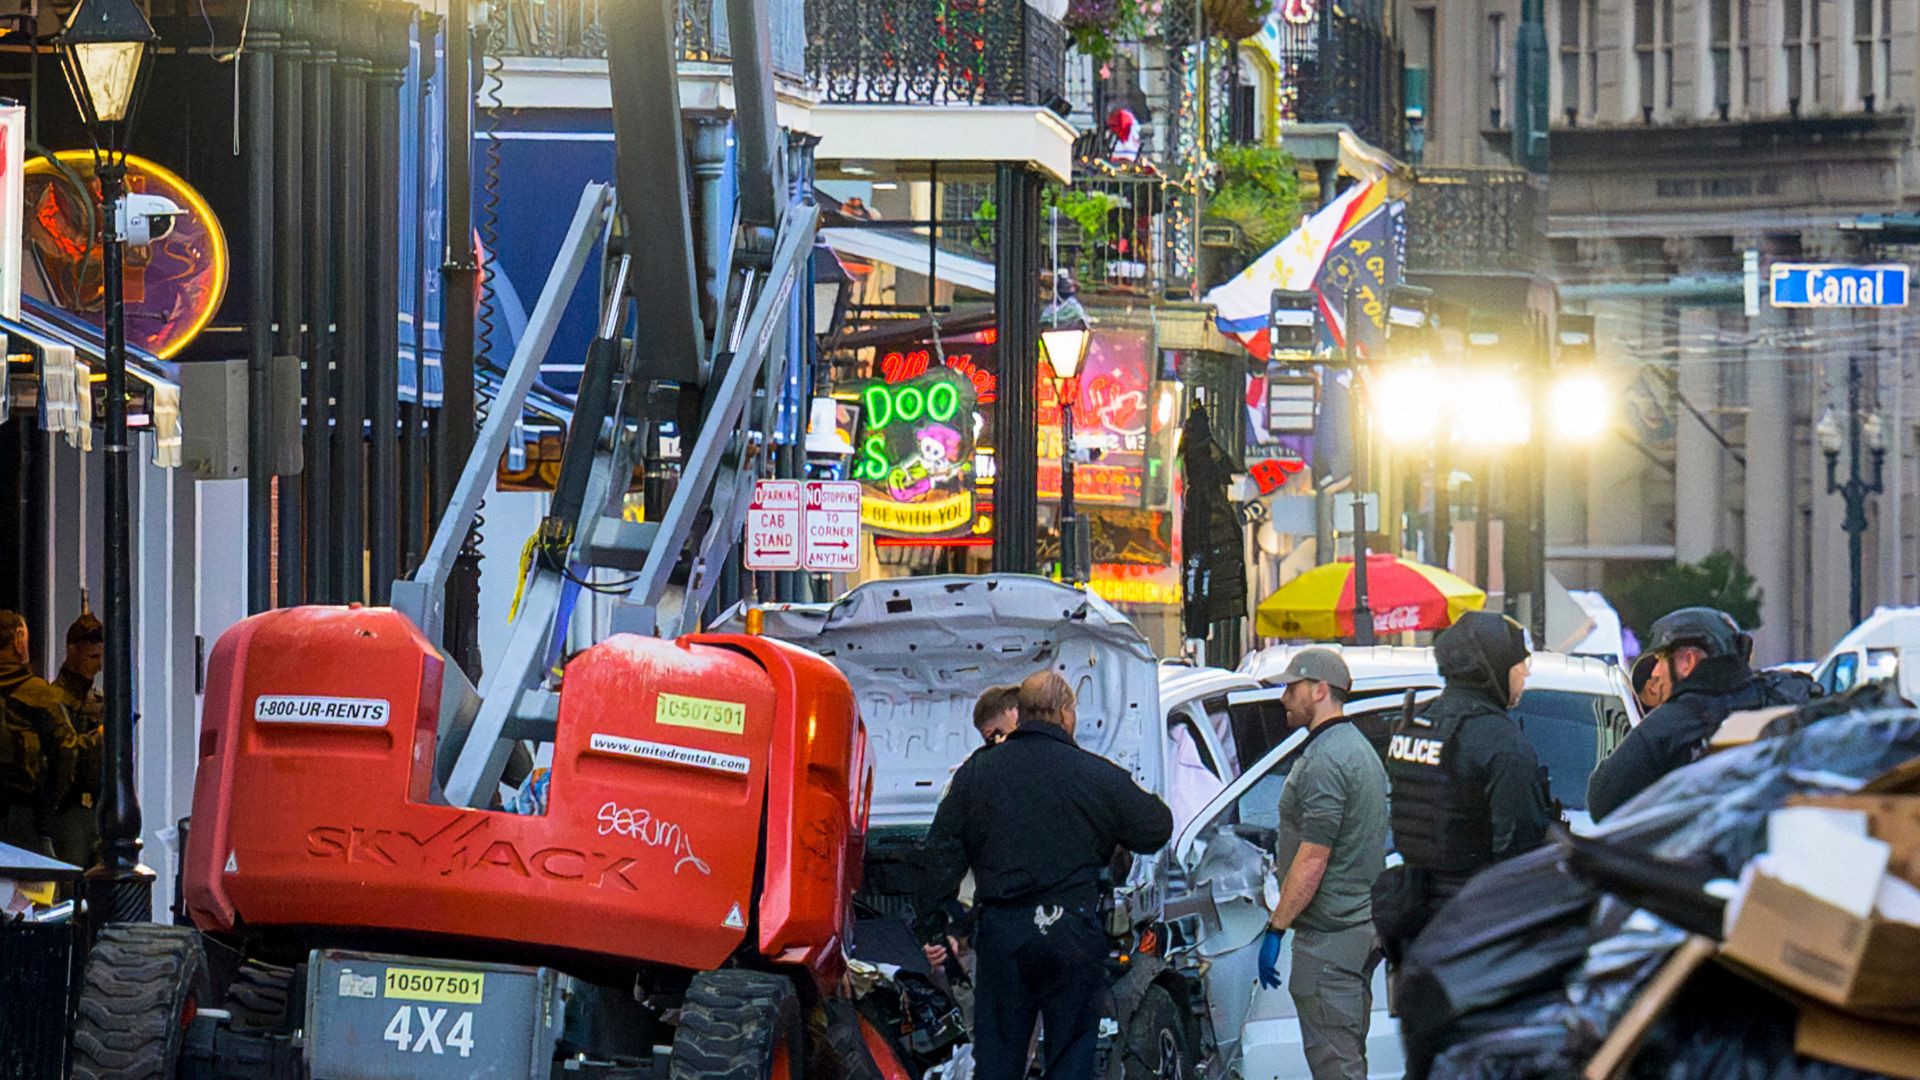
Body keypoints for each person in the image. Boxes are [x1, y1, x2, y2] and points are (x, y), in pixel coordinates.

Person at [918, 671, 1173, 1080]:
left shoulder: (976, 774)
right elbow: (1156, 827)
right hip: (1071, 932)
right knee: (1071, 1055)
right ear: (1067, 713)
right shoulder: (1093, 773)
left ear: (1020, 712)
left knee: (999, 1059)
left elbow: (938, 856)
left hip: (1003, 936)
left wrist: (934, 929)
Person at [1377, 611, 1551, 954]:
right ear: (1494, 666)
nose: (1526, 673)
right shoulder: (1500, 742)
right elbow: (1520, 852)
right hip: (1477, 927)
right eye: (1519, 663)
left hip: (1415, 918)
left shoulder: (1418, 724)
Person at [1255, 649, 1389, 1080]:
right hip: (1356, 928)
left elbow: (1313, 858)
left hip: (1332, 940)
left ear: (1320, 690)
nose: (1284, 698)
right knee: (1346, 1058)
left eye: (1293, 689)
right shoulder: (1356, 748)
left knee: (1337, 1067)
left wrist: (1276, 927)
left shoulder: (1326, 759)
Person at [1588, 607, 1816, 821]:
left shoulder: (1669, 724)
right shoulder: (1788, 696)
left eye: (1660, 660)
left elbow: (1602, 801)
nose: (1655, 672)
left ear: (1687, 661)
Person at [0, 611, 78, 857]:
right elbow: (67, 748)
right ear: (18, 640)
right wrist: (51, 799)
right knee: (38, 885)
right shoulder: (38, 694)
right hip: (26, 815)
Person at [49, 611, 104, 866]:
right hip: (67, 812)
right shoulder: (52, 701)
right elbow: (64, 753)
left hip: (98, 809)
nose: (99, 665)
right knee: (71, 890)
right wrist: (101, 738)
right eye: (93, 657)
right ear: (73, 651)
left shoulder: (99, 701)